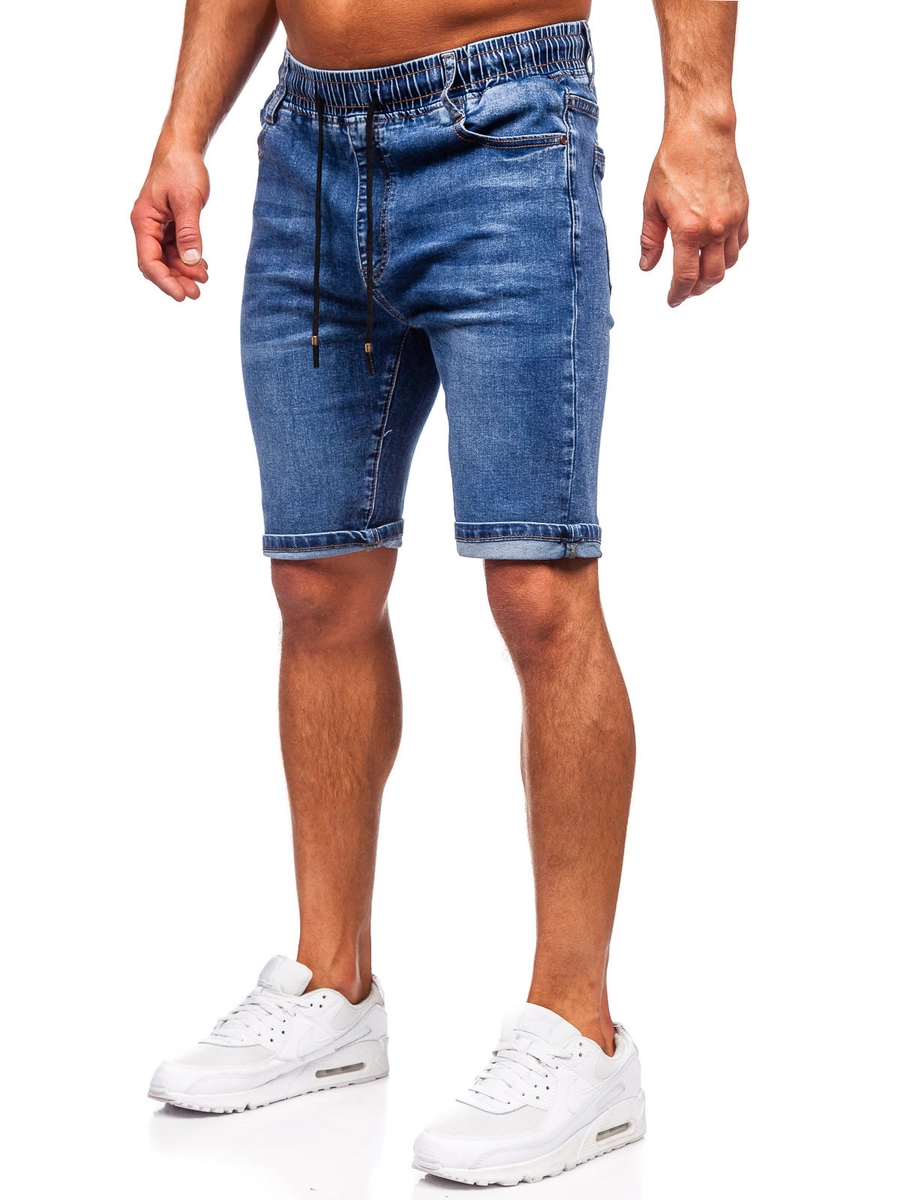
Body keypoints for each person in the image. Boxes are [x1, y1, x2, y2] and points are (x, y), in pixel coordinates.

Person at [133, 0, 748, 1186]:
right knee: (317, 583)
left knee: (540, 587)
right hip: (309, 151)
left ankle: (578, 1030)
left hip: (504, 133)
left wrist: (702, 114)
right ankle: (332, 986)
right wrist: (182, 130)